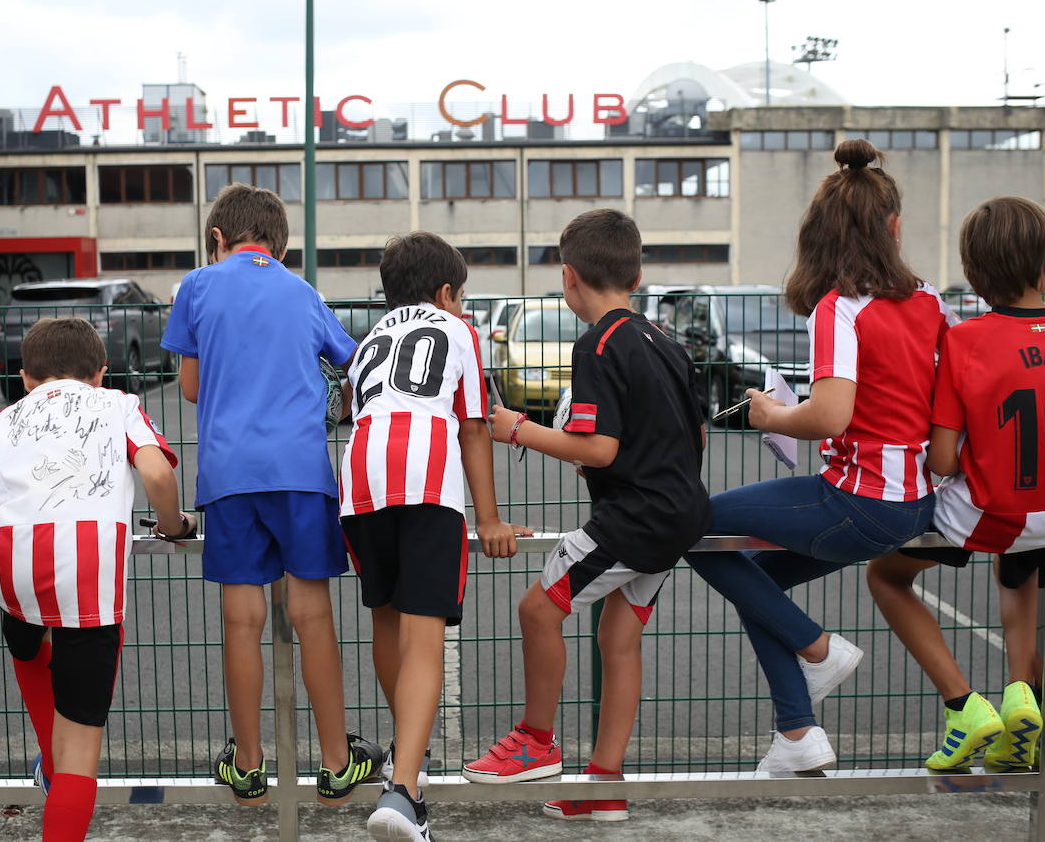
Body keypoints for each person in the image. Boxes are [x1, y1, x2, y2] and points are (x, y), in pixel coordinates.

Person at [685, 139, 960, 774]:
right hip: (915, 504)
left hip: (857, 500)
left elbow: (831, 414)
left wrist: (773, 415)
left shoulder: (840, 308)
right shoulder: (929, 303)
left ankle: (818, 650)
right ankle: (797, 734)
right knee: (756, 578)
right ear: (893, 228)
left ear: (817, 236)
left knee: (693, 524)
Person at [867, 196, 1045, 773]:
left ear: (975, 277)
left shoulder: (964, 341)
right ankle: (1022, 700)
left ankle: (964, 706)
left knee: (886, 575)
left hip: (991, 514)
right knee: (1019, 570)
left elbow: (941, 461)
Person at [463, 209, 710, 823]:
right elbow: (693, 435)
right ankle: (604, 785)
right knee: (618, 638)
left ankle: (535, 741)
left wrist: (516, 429)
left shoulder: (596, 342)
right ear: (637, 272)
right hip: (680, 512)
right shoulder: (665, 340)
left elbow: (599, 447)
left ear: (569, 278)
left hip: (636, 518)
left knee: (537, 608)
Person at [160, 182, 382, 805]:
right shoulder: (302, 292)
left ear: (217, 238)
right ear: (281, 247)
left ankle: (250, 763)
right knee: (313, 616)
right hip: (302, 470)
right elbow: (353, 364)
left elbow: (191, 387)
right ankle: (338, 763)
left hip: (230, 472)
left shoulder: (197, 288)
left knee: (243, 618)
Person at [0, 317, 187, 840]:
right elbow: (154, 473)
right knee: (83, 748)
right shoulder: (119, 405)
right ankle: (63, 776)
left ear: (25, 378)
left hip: (16, 571)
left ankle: (50, 762)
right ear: (102, 373)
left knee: (28, 643)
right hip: (88, 575)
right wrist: (173, 525)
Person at [338, 233, 528, 841]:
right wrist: (491, 520)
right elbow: (473, 428)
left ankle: (404, 762)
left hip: (360, 475)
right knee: (426, 636)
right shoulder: (458, 331)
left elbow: (351, 404)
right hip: (424, 475)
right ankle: (403, 791)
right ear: (447, 293)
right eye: (462, 296)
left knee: (386, 620)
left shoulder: (369, 339)